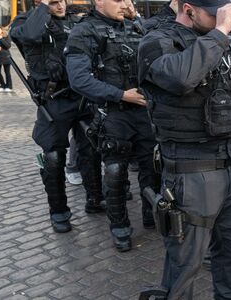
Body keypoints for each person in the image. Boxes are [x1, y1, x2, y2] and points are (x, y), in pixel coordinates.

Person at [137, 0, 231, 297]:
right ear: (189, 9)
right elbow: (181, 77)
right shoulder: (157, 41)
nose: (223, 18)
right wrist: (219, 33)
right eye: (214, 12)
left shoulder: (222, 39)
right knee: (184, 263)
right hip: (191, 171)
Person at [65, 0, 158, 252]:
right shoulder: (84, 31)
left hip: (143, 111)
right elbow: (79, 79)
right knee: (116, 171)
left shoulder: (135, 26)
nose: (124, 3)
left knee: (152, 167)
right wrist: (120, 95)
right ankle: (120, 227)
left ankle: (152, 216)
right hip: (113, 112)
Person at [11, 0, 105, 233]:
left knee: (91, 148)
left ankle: (95, 198)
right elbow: (30, 35)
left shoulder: (76, 21)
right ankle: (59, 211)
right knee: (53, 157)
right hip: (53, 100)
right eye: (54, 2)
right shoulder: (26, 21)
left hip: (81, 96)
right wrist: (44, 8)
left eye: (62, 0)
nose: (61, 5)